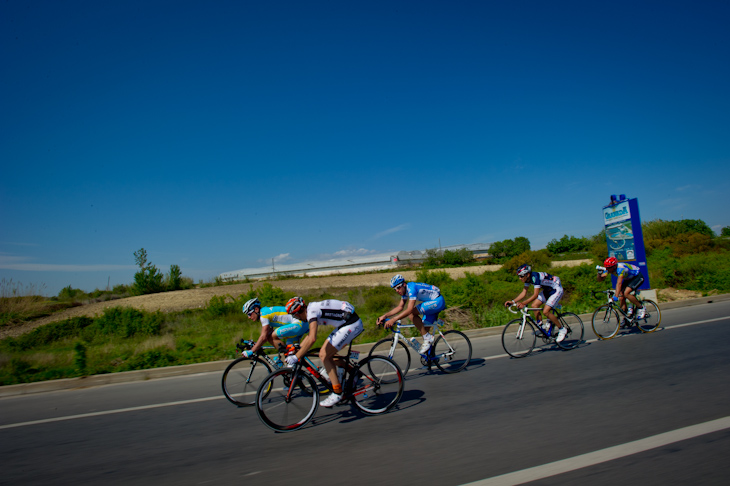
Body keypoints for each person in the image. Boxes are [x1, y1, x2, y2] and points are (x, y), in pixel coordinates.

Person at [284, 297, 364, 407]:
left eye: (294, 316)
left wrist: (296, 357)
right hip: (346, 322)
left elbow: (312, 338)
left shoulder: (311, 312)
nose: (296, 318)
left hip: (351, 324)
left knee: (324, 355)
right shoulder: (311, 309)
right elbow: (309, 337)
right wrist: (297, 348)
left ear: (297, 313)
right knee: (328, 353)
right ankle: (352, 372)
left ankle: (337, 392)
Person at [376, 274, 446, 354]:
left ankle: (428, 339)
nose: (397, 290)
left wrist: (393, 320)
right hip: (431, 303)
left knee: (412, 314)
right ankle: (431, 357)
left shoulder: (411, 288)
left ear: (404, 284)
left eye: (398, 287)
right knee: (423, 330)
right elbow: (400, 307)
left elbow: (409, 310)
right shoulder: (405, 292)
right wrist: (384, 316)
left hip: (438, 301)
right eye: (394, 289)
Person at [504, 264, 567, 343]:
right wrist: (513, 301)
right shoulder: (527, 279)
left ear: (527, 274)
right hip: (547, 290)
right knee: (534, 305)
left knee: (546, 311)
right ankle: (541, 327)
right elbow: (524, 292)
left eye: (521, 276)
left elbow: (535, 295)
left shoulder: (535, 277)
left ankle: (562, 329)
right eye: (519, 276)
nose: (520, 278)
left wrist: (523, 303)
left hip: (556, 289)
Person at [241, 298, 309, 362]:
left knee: (272, 336)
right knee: (291, 356)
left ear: (256, 309)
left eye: (249, 314)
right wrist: (256, 345)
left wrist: (252, 351)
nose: (249, 317)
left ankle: (283, 357)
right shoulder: (266, 312)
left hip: (299, 323)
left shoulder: (264, 315)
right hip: (300, 325)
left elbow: (263, 337)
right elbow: (266, 336)